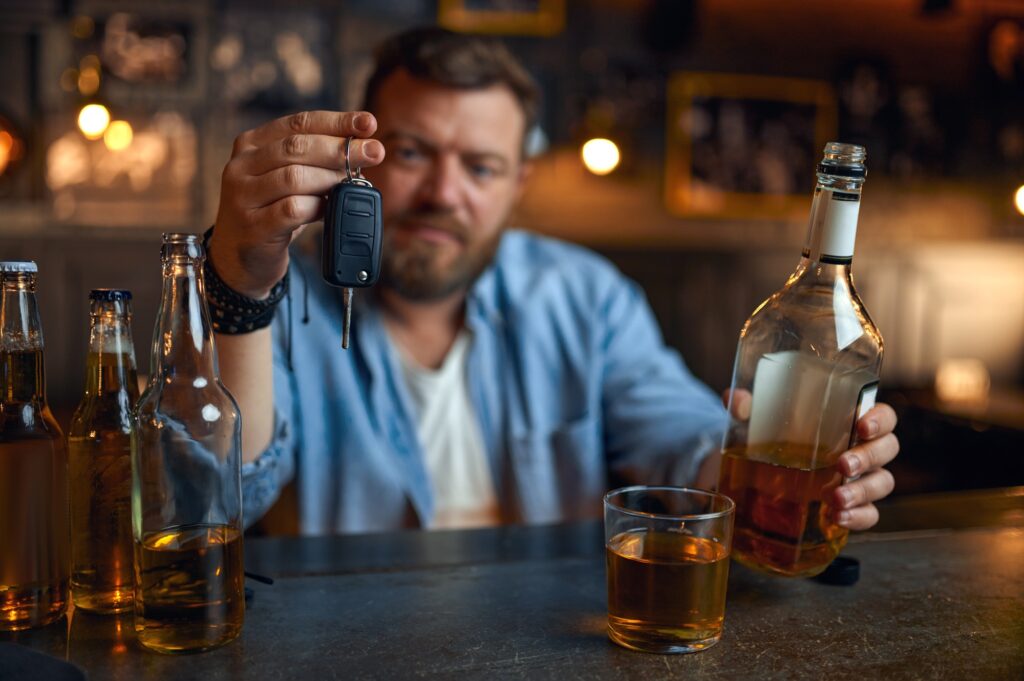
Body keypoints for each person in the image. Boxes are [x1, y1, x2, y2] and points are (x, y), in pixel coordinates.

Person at [206, 27, 898, 534]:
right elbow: (214, 501)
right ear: (360, 161)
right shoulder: (278, 296)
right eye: (413, 152)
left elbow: (680, 431)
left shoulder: (583, 295)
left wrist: (762, 473)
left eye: (480, 166)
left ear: (518, 184)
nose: (444, 192)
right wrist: (240, 284)